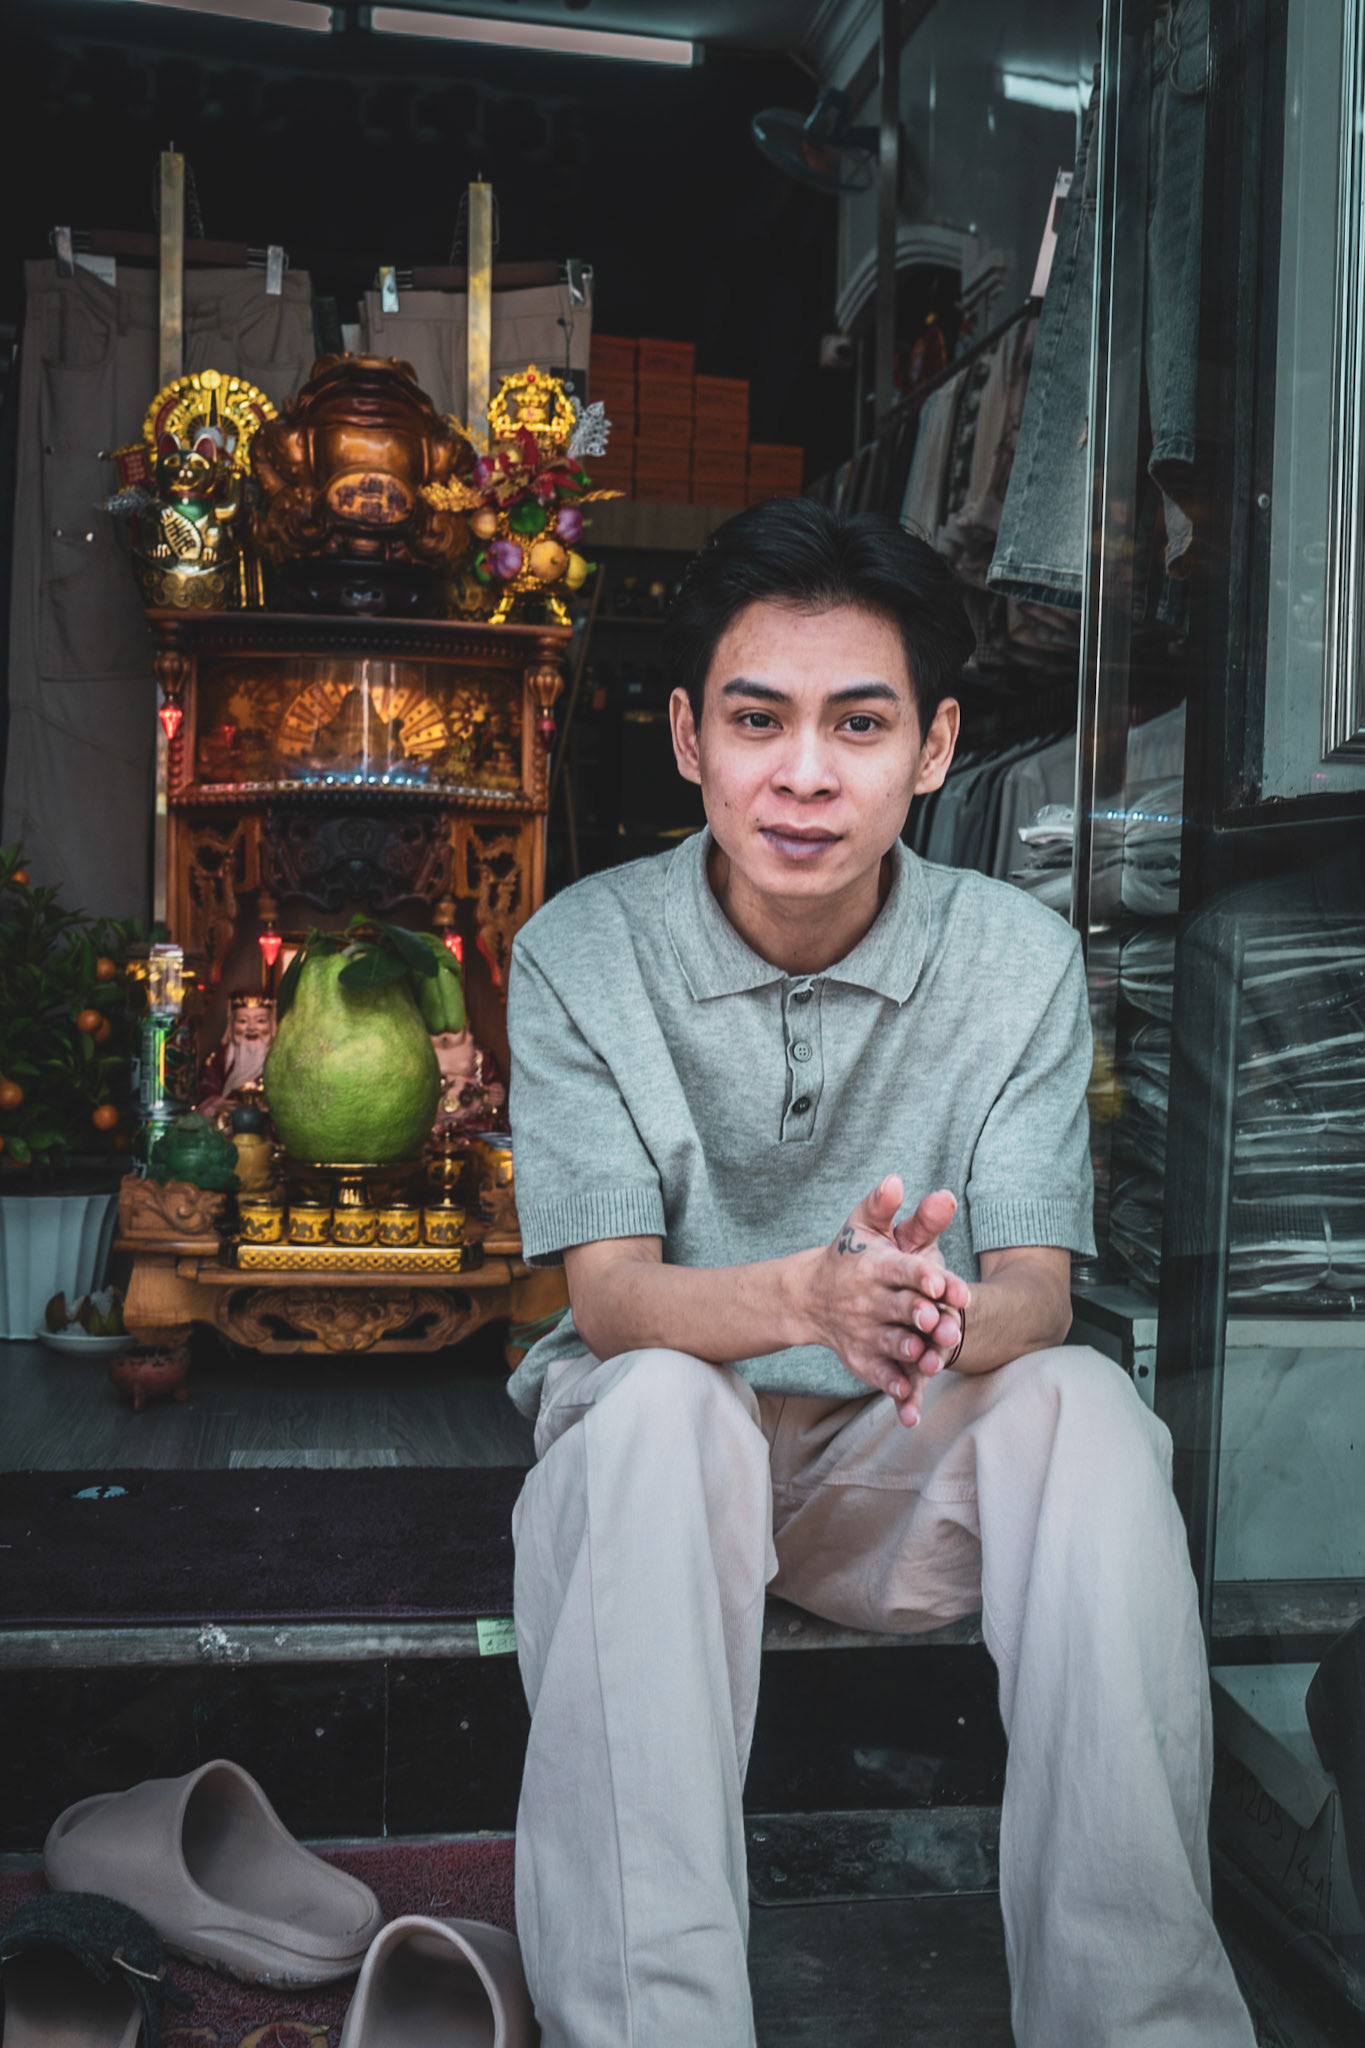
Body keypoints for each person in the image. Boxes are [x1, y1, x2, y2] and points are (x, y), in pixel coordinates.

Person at [504, 500, 1255, 2048]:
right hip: (663, 1481)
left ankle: (1142, 2022)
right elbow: (609, 1301)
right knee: (654, 1407)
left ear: (932, 749)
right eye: (755, 720)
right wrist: (809, 1297)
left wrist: (931, 1311)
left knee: (1086, 1408)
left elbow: (1038, 1291)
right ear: (687, 738)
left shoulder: (1014, 957)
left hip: (891, 1475)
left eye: (858, 723)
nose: (804, 774)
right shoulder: (581, 950)